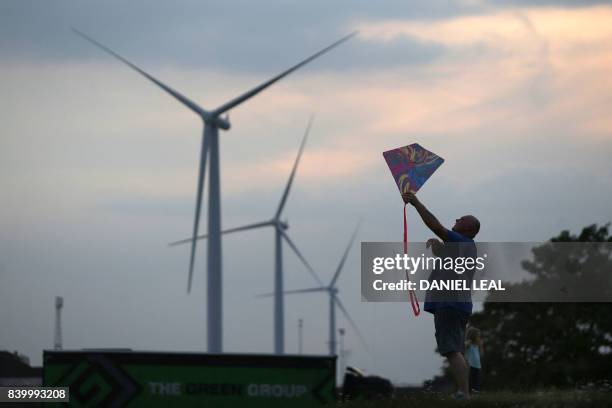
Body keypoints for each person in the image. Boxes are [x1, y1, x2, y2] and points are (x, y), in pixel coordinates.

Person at [402, 191, 480, 400]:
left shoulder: (460, 240)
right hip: (459, 305)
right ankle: (464, 392)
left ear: (468, 229)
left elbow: (436, 226)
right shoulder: (466, 247)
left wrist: (415, 202)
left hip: (449, 304)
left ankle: (464, 394)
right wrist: (439, 250)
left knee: (451, 350)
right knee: (456, 350)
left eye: (461, 219)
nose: (456, 220)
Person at [465, 326, 483, 393]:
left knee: (477, 380)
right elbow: (464, 346)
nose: (479, 338)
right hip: (470, 365)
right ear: (473, 336)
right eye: (478, 336)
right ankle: (469, 391)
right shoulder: (469, 344)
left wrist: (481, 346)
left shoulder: (477, 346)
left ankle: (476, 391)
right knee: (470, 379)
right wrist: (468, 342)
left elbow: (481, 355)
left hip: (477, 365)